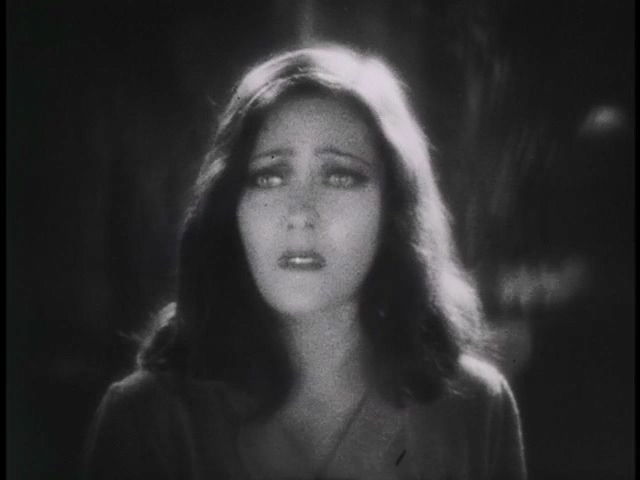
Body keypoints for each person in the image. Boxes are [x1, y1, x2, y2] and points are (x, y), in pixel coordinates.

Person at [83, 44, 527, 480]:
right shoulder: (145, 420)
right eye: (269, 176)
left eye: (339, 176)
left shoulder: (476, 410)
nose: (300, 212)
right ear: (232, 207)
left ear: (393, 209)